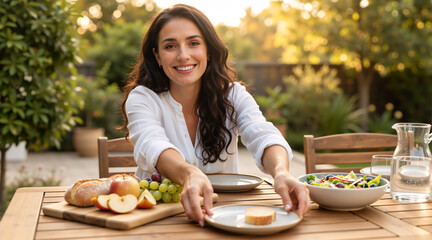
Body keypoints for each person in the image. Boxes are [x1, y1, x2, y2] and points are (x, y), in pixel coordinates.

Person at [120, 4, 311, 227]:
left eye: (193, 43)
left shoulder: (233, 94)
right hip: (157, 221)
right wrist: (189, 173)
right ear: (157, 56)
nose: (183, 55)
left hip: (228, 217)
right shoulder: (142, 98)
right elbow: (152, 144)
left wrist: (281, 172)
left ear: (208, 51)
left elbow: (263, 134)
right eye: (170, 46)